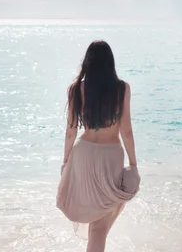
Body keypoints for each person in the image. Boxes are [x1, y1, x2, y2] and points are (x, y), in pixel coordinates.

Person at [56, 40, 140, 252]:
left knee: (97, 223)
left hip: (83, 156)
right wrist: (133, 163)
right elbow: (126, 131)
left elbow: (70, 132)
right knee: (100, 227)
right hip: (110, 157)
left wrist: (66, 162)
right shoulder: (122, 89)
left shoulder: (76, 89)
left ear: (87, 63)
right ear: (111, 63)